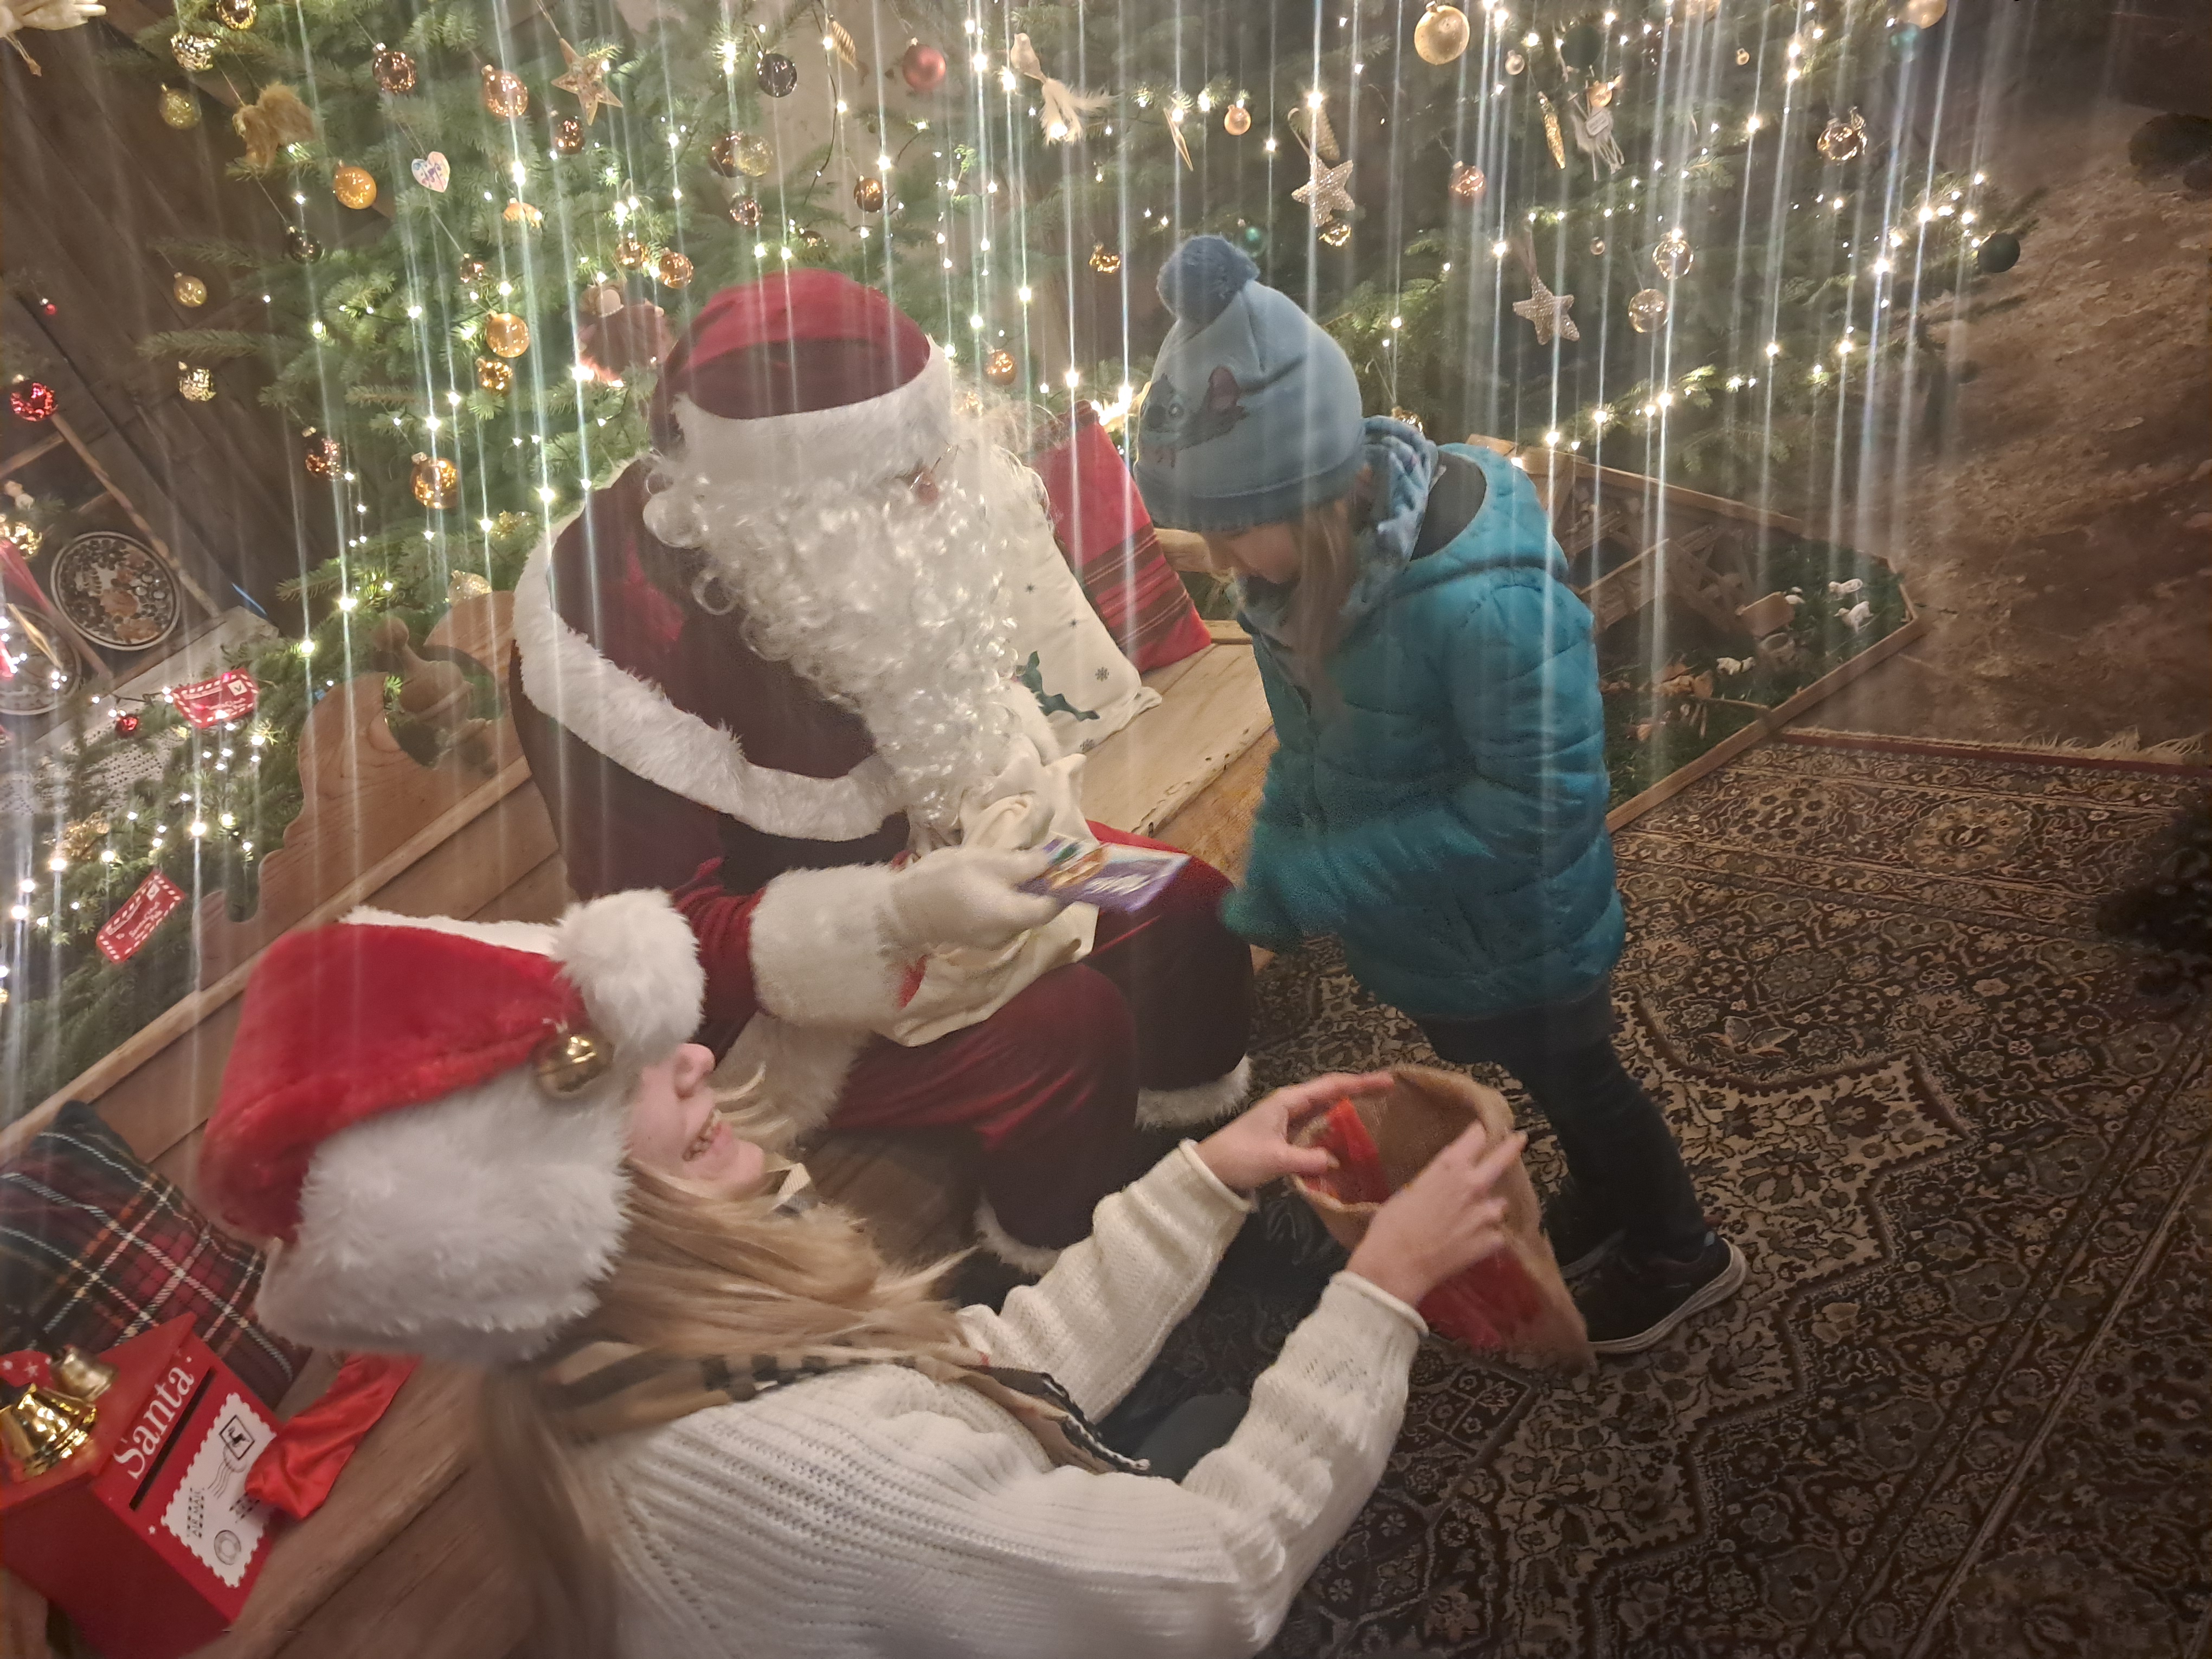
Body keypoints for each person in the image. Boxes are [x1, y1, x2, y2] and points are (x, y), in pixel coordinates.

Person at [197, 896, 1531, 1659]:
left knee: (1204, 1430)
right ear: (538, 1209)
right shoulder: (797, 1471)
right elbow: (1213, 1580)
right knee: (1238, 1458)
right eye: (627, 1075)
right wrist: (1380, 1297)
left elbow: (980, 1377)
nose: (698, 1058)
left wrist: (1202, 1181)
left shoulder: (656, 1354)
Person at [507, 269, 1253, 1268]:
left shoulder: (857, 548)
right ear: (791, 498)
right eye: (896, 476)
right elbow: (662, 942)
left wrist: (1014, 811)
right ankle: (1056, 1279)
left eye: (931, 456)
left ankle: (1198, 1171)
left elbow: (962, 718)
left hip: (959, 861)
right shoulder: (616, 647)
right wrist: (899, 916)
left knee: (1185, 905)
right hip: (779, 1006)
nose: (936, 493)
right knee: (1065, 1031)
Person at [1129, 235, 1746, 1356]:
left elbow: (1540, 808)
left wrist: (1335, 874)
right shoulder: (1293, 585)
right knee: (1552, 1083)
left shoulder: (1483, 608)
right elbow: (1316, 741)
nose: (1218, 558)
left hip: (1523, 924)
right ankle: (1609, 1197)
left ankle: (1680, 1250)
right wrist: (1282, 843)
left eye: (1231, 529)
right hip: (1440, 926)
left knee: (1588, 1080)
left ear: (1314, 491)